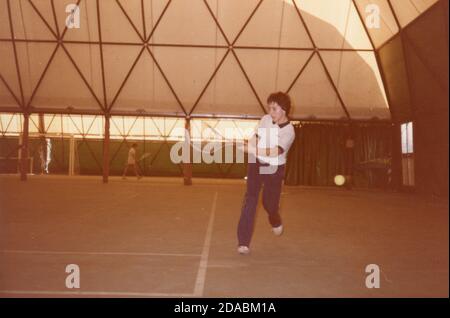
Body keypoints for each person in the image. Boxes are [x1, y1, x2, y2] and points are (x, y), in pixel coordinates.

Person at [236, 92, 296, 255]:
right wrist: (250, 146)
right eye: (269, 108)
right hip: (256, 163)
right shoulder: (265, 119)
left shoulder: (289, 131)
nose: (271, 112)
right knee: (250, 199)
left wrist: (252, 149)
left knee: (269, 205)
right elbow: (256, 136)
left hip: (274, 168)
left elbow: (275, 152)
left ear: (284, 110)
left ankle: (275, 221)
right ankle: (243, 242)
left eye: (274, 109)